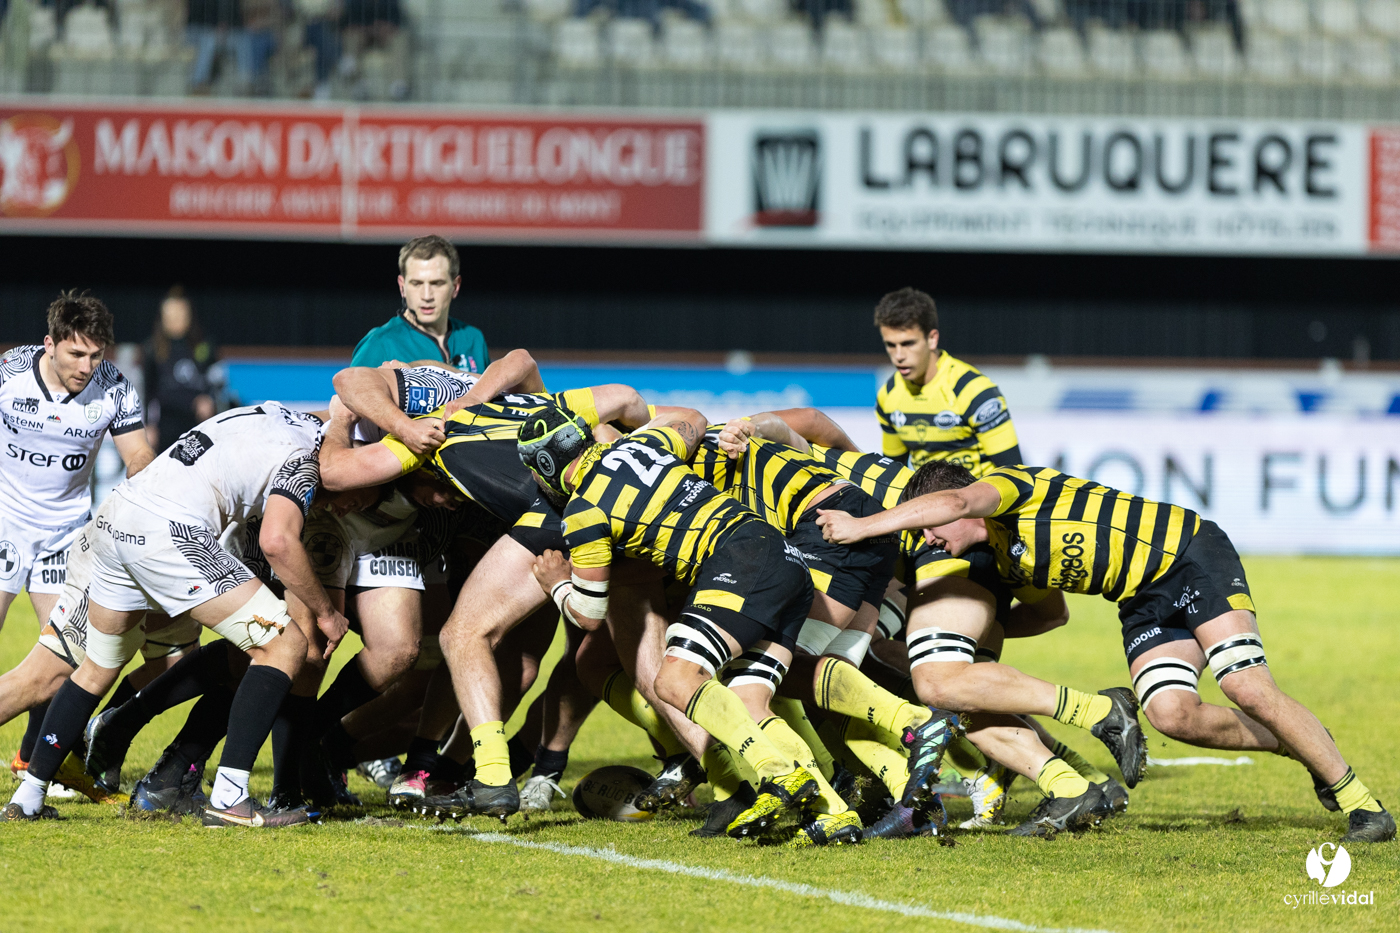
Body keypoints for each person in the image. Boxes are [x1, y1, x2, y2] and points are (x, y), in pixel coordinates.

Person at [817, 460, 1397, 844]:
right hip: (1141, 599)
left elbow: (952, 502)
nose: (929, 542)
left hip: (1188, 555)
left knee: (1246, 687)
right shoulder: (1010, 557)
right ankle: (1307, 751)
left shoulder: (1007, 489)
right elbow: (1050, 615)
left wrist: (864, 528)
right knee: (1174, 716)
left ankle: (1366, 808)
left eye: (931, 529)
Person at [520, 403, 880, 846]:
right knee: (753, 698)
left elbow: (590, 616)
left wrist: (557, 583)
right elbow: (691, 422)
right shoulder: (644, 444)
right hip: (783, 554)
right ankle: (834, 811)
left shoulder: (583, 511)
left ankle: (780, 772)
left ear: (545, 466)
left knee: (673, 680)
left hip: (739, 562)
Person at [0, 401, 348, 826]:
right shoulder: (304, 456)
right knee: (286, 644)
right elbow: (277, 540)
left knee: (95, 669)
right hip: (168, 532)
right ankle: (231, 797)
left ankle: (29, 795)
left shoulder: (268, 415)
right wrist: (326, 612)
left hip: (117, 517)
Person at [0, 292, 156, 782]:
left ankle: (31, 758)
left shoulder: (112, 387)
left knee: (66, 661)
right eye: (76, 354)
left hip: (66, 533)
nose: (87, 366)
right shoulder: (9, 372)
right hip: (4, 523)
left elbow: (139, 458)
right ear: (49, 344)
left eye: (96, 354)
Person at [873, 287, 1020, 473]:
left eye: (908, 343)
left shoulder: (974, 391)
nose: (899, 356)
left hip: (982, 501)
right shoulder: (888, 395)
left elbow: (1017, 476)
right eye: (890, 345)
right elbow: (892, 475)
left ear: (932, 339)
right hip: (927, 501)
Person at [351, 237, 488, 374]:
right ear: (402, 287)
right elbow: (348, 393)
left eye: (437, 283)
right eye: (416, 284)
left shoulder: (473, 339)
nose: (426, 296)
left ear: (455, 286)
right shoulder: (380, 343)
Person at [142, 287, 223, 450]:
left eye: (180, 314)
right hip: (167, 424)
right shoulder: (153, 348)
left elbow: (216, 381)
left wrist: (210, 400)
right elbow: (148, 392)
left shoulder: (203, 345)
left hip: (198, 424)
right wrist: (149, 426)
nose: (176, 320)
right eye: (171, 315)